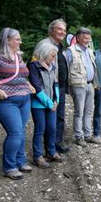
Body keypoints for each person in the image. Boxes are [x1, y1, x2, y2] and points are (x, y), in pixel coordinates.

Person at [0, 28, 36, 180]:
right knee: (15, 132)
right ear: (8, 40)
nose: (20, 42)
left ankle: (20, 161)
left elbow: (21, 74)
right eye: (17, 39)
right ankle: (10, 167)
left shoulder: (17, 55)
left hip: (24, 99)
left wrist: (28, 84)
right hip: (5, 100)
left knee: (21, 131)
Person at [36, 19, 70, 153]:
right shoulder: (44, 45)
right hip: (48, 87)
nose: (62, 32)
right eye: (59, 29)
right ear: (51, 30)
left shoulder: (60, 45)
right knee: (49, 117)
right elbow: (36, 66)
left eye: (64, 30)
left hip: (59, 86)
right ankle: (48, 147)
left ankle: (57, 143)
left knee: (60, 116)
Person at [28, 42, 63, 168]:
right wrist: (49, 103)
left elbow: (56, 84)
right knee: (40, 129)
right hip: (38, 105)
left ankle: (51, 151)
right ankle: (38, 156)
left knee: (52, 129)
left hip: (51, 104)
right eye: (52, 56)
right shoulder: (34, 66)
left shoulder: (52, 66)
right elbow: (37, 87)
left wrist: (56, 100)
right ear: (45, 54)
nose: (53, 59)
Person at [65, 27, 97, 147]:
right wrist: (68, 86)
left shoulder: (89, 51)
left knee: (89, 111)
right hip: (78, 85)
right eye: (85, 37)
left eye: (89, 37)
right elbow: (66, 69)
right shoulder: (70, 51)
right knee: (79, 112)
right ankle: (79, 136)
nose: (87, 39)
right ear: (78, 38)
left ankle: (87, 135)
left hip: (89, 84)